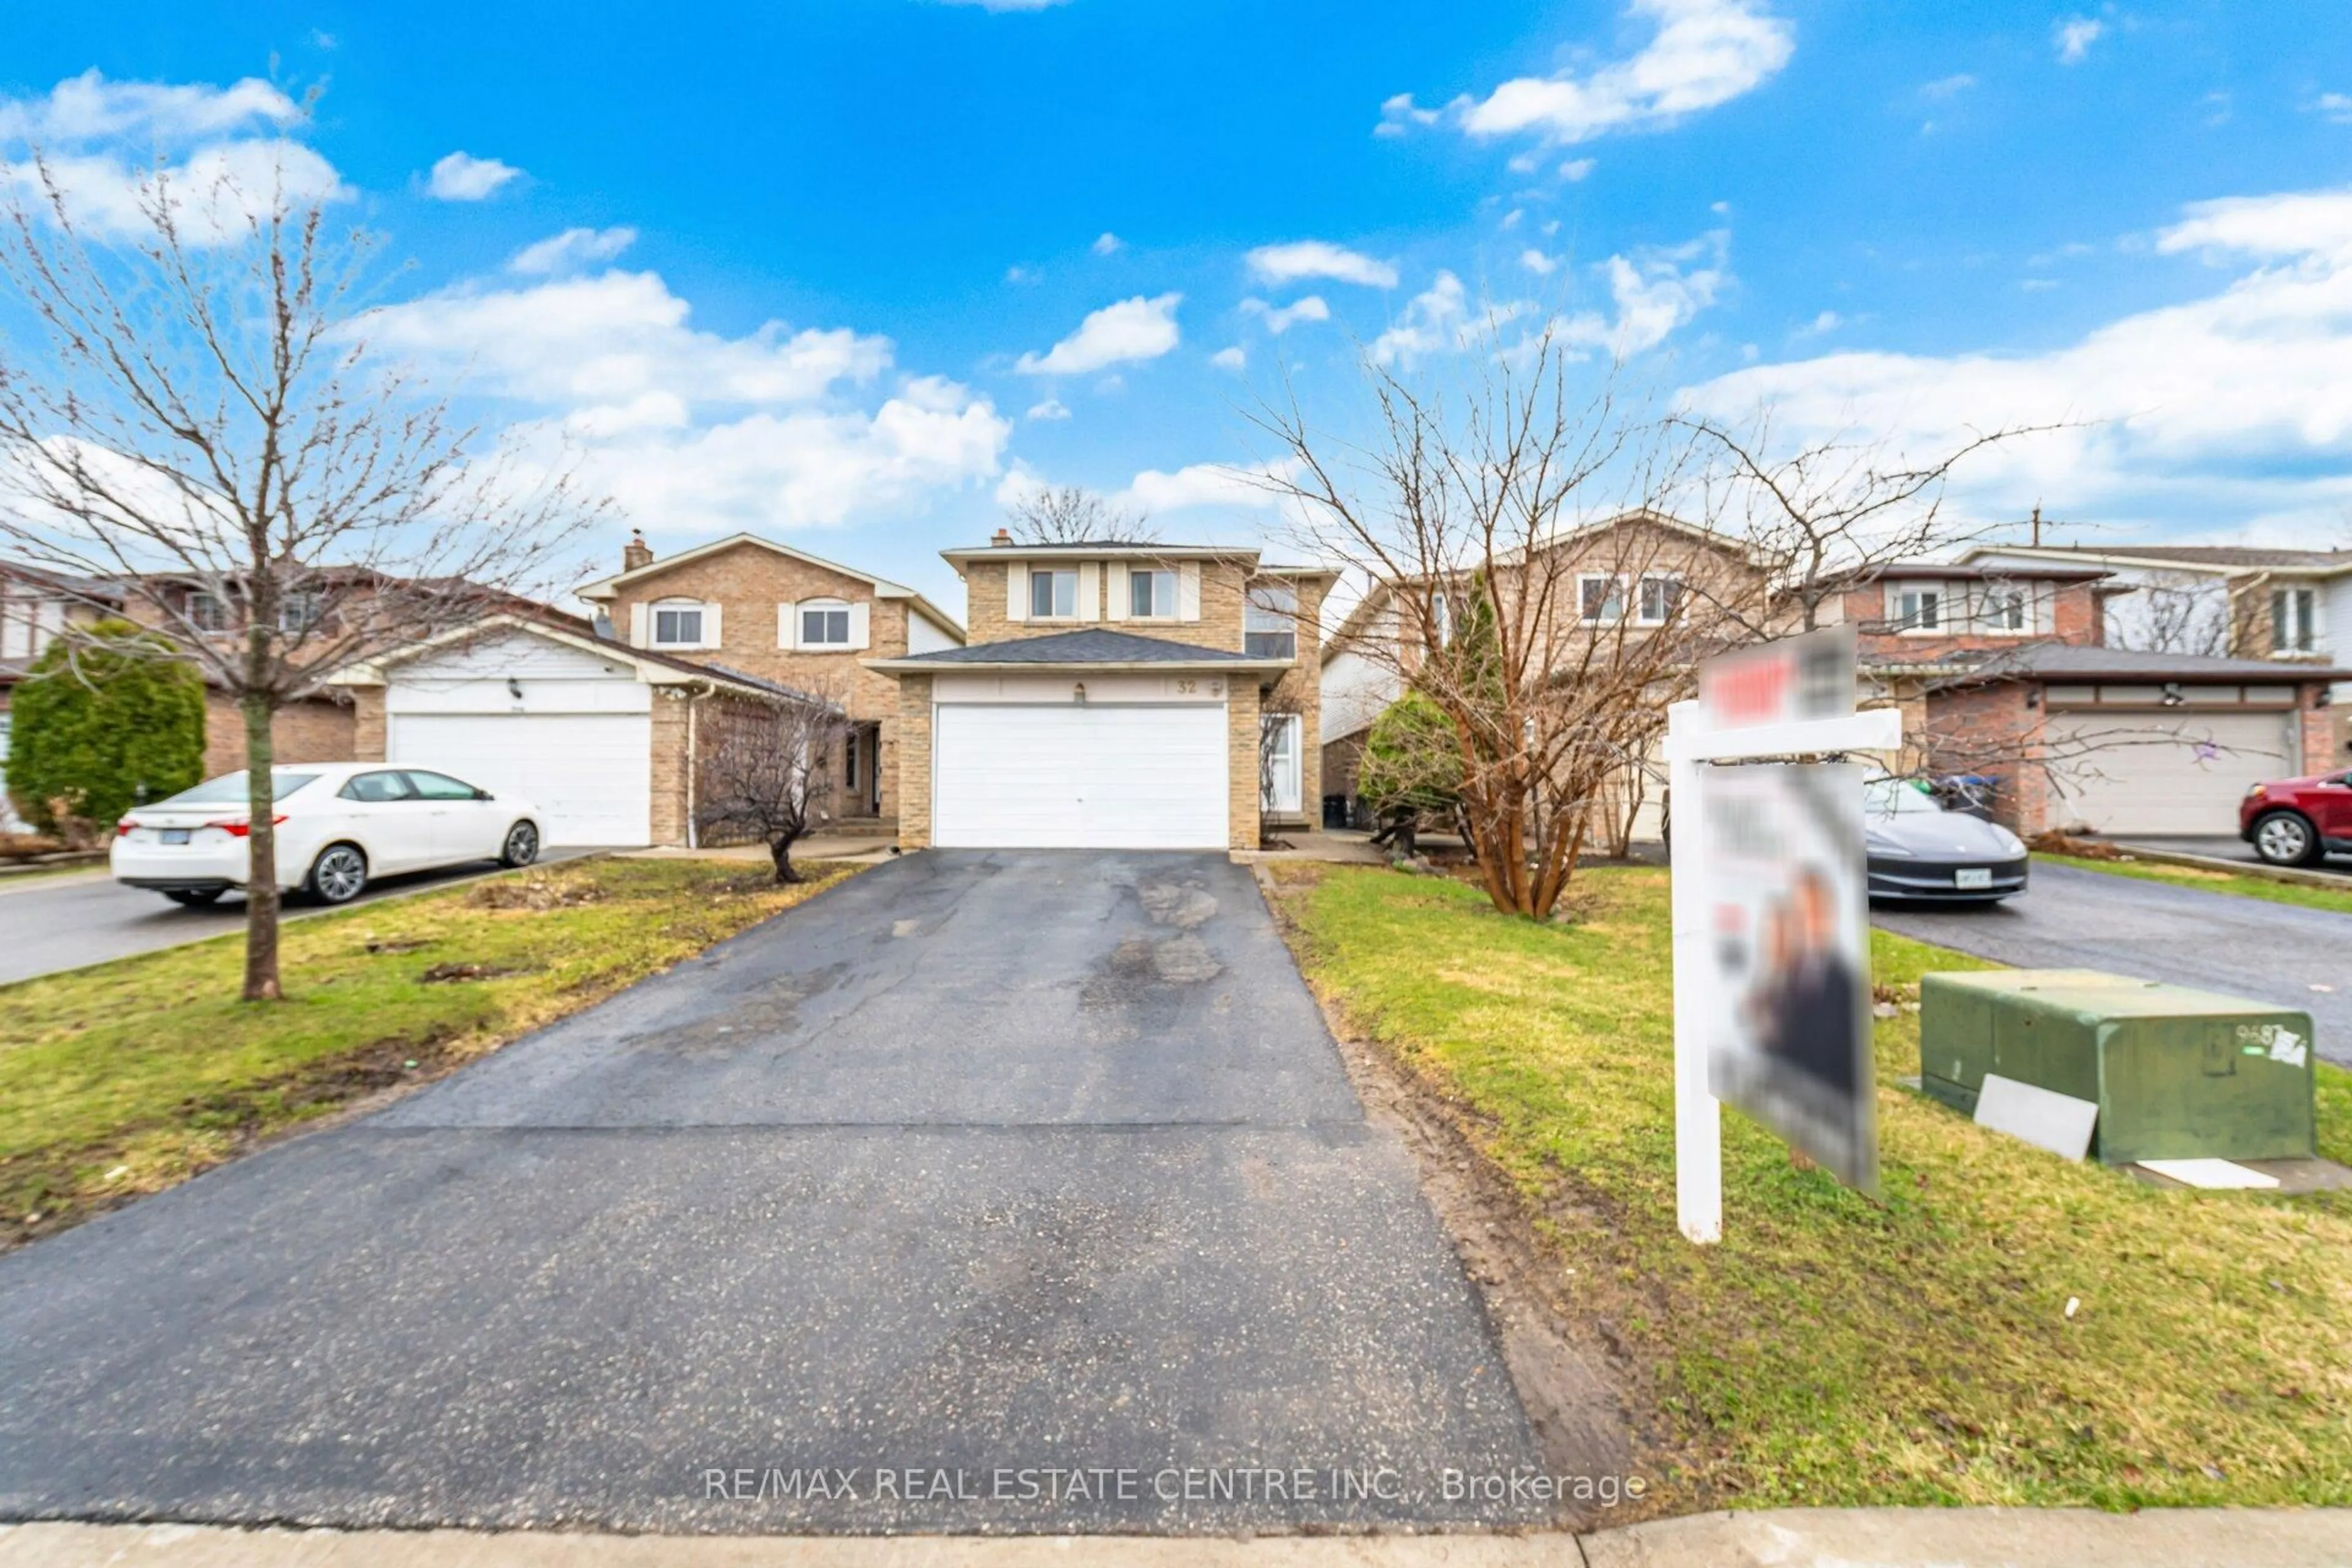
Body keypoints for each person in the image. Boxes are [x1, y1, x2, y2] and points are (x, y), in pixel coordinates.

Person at [1760, 864, 1862, 1098]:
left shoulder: (1844, 986)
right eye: (1800, 915)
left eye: (1814, 914)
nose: (1807, 925)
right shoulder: (1792, 974)